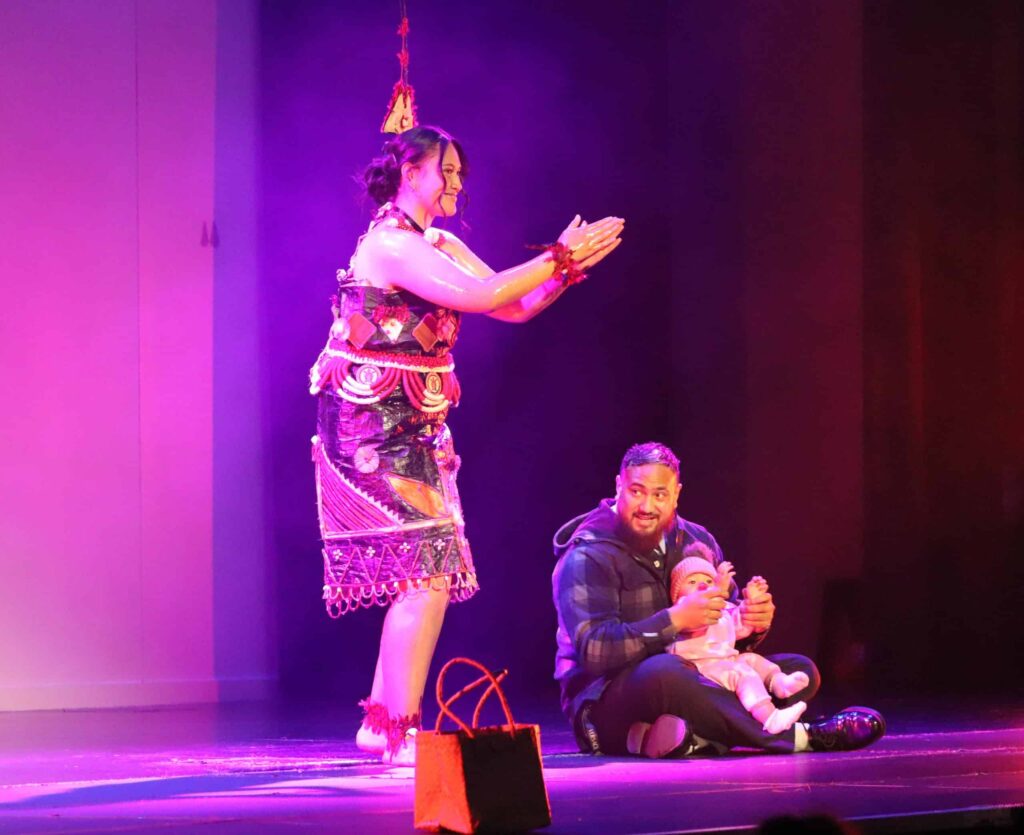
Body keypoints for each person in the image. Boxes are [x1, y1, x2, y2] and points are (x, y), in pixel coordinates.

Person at [310, 125, 624, 765]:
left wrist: (567, 268)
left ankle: (380, 723)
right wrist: (557, 255)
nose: (456, 183)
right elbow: (483, 295)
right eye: (445, 171)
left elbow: (513, 305)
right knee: (426, 575)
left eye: (459, 173)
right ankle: (396, 730)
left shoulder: (439, 243)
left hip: (418, 425)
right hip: (370, 426)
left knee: (425, 571)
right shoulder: (390, 245)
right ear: (411, 175)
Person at [551, 441, 885, 758]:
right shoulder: (587, 556)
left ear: (676, 494)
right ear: (618, 487)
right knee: (666, 672)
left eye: (660, 494)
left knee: (800, 671)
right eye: (636, 491)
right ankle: (801, 737)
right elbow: (596, 651)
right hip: (610, 701)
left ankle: (694, 738)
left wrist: (751, 622)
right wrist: (675, 620)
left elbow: (725, 628)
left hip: (699, 672)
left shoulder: (696, 540)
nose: (647, 506)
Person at [666, 548, 809, 735]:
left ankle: (779, 683)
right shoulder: (683, 610)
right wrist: (718, 589)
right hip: (702, 668)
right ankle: (770, 717)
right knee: (742, 673)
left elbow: (740, 627)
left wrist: (751, 602)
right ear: (677, 593)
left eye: (708, 581)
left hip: (726, 660)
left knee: (751, 659)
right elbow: (697, 624)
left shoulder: (722, 608)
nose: (701, 585)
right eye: (692, 582)